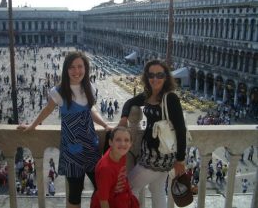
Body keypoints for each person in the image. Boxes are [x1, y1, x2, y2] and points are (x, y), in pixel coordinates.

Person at [17, 51, 111, 208]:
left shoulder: (90, 88)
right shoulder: (58, 92)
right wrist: (33, 125)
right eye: (72, 67)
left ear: (86, 68)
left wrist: (105, 125)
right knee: (74, 194)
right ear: (66, 69)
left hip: (91, 147)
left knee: (102, 187)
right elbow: (46, 110)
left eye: (80, 66)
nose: (76, 71)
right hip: (72, 152)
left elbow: (91, 111)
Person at [118, 60, 187, 208]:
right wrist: (124, 118)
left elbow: (181, 130)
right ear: (146, 77)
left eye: (159, 75)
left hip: (159, 157)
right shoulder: (149, 95)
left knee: (129, 187)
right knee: (157, 190)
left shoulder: (170, 99)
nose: (155, 79)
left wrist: (180, 160)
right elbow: (129, 102)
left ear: (166, 77)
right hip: (148, 153)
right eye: (151, 75)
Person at [90, 126, 139, 208]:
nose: (123, 144)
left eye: (126, 140)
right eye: (118, 140)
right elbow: (103, 201)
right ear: (110, 142)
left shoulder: (120, 154)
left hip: (122, 199)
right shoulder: (105, 169)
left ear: (131, 144)